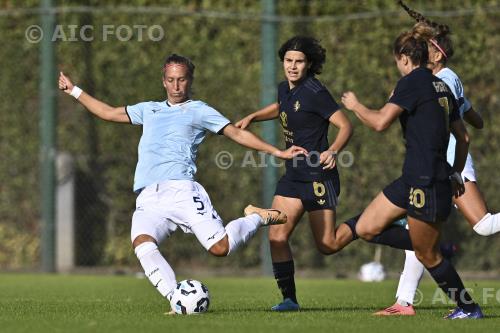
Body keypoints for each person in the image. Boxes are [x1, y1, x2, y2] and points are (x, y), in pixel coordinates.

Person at [58, 53, 308, 311]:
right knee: (142, 243)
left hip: (182, 191)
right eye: (171, 80)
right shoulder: (149, 109)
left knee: (220, 248)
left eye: (181, 80)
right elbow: (108, 113)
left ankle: (256, 216)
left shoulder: (199, 110)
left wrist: (278, 152)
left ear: (190, 80)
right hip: (148, 197)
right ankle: (176, 301)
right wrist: (73, 90)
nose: (176, 86)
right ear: (163, 81)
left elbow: (235, 133)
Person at [341, 26, 483, 319]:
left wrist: (355, 106)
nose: (397, 65)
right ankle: (437, 247)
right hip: (413, 178)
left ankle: (468, 307)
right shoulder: (440, 86)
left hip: (426, 181)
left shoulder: (412, 82)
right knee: (367, 228)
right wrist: (456, 173)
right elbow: (465, 137)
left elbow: (380, 123)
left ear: (405, 58)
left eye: (396, 60)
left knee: (426, 255)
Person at [374, 1, 499, 317]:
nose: (417, 50)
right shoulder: (433, 79)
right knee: (419, 237)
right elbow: (475, 119)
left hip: (449, 166)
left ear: (438, 53)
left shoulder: (445, 77)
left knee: (483, 226)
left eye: (424, 47)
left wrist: (455, 169)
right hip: (432, 168)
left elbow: (462, 128)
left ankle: (438, 303)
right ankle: (404, 302)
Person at [236, 36, 354, 311]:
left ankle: (368, 224)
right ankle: (289, 300)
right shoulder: (285, 89)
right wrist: (253, 116)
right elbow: (281, 108)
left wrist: (333, 150)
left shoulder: (315, 91)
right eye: (288, 61)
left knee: (328, 244)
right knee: (276, 237)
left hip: (317, 177)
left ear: (309, 64)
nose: (292, 66)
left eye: (299, 61)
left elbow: (345, 125)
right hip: (293, 176)